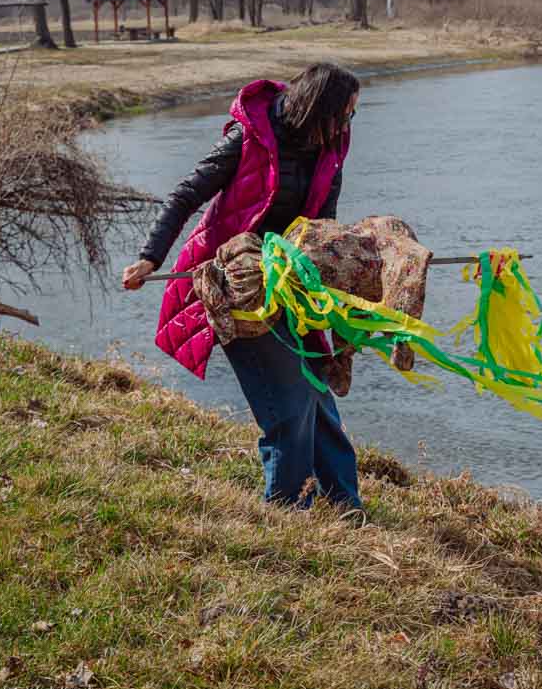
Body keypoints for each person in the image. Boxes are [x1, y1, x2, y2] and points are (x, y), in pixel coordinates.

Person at [122, 62, 364, 516]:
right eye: (345, 113)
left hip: (291, 284)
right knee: (288, 405)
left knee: (316, 391)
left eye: (354, 115)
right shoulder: (249, 136)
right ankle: (286, 511)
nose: (349, 123)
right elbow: (185, 195)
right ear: (319, 108)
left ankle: (345, 506)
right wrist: (149, 257)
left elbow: (321, 226)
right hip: (236, 285)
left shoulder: (331, 148)